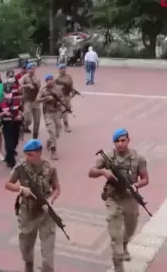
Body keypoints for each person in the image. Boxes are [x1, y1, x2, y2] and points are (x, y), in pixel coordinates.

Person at [88, 128, 150, 272]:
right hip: (113, 199)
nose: (120, 144)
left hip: (130, 199)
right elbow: (91, 172)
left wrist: (135, 185)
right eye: (117, 141)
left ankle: (124, 244)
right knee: (116, 236)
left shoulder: (138, 158)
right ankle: (118, 266)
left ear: (128, 140)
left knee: (130, 228)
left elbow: (145, 179)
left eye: (123, 140)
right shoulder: (108, 157)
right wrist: (103, 171)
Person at [4, 139, 60, 272]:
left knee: (48, 258)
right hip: (27, 214)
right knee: (26, 250)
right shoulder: (20, 168)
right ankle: (29, 266)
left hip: (46, 214)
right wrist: (21, 189)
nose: (27, 158)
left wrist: (51, 199)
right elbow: (8, 184)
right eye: (26, 155)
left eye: (30, 154)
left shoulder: (50, 168)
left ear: (39, 153)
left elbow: (57, 188)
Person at [36, 74, 64, 160]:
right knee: (52, 132)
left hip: (56, 113)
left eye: (52, 79)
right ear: (46, 81)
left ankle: (50, 141)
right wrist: (46, 98)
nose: (50, 81)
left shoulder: (58, 89)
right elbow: (37, 100)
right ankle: (53, 152)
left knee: (58, 131)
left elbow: (62, 99)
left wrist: (60, 104)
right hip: (48, 114)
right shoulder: (43, 90)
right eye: (48, 80)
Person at [0, 83, 24, 168]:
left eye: (9, 93)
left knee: (15, 142)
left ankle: (8, 157)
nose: (8, 96)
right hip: (7, 125)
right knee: (9, 144)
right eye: (6, 94)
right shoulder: (0, 103)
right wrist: (4, 113)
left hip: (16, 124)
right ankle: (12, 162)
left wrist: (20, 116)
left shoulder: (16, 101)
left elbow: (21, 111)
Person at [20, 62, 41, 138]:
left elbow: (39, 89)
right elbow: (19, 86)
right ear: (28, 69)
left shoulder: (37, 78)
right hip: (27, 100)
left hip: (35, 101)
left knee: (37, 121)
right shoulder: (24, 77)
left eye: (33, 68)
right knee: (28, 119)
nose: (32, 70)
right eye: (31, 68)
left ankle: (35, 137)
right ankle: (24, 126)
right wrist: (27, 85)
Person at [54, 64, 75, 133]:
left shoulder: (68, 77)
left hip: (67, 96)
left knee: (66, 109)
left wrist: (73, 90)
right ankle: (65, 125)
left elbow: (71, 85)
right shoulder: (56, 78)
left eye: (65, 68)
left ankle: (61, 123)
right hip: (60, 97)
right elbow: (52, 88)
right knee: (63, 111)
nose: (64, 70)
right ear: (59, 70)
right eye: (62, 68)